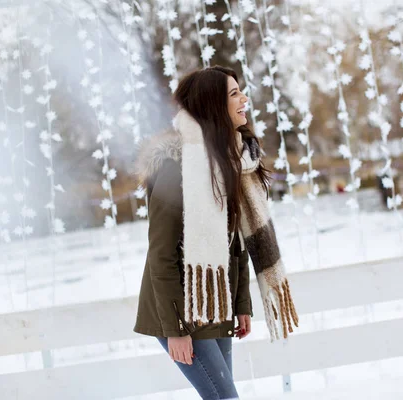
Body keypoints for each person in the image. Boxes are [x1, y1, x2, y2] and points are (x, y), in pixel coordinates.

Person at [133, 66, 298, 400]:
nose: (244, 99)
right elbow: (161, 255)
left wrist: (241, 304)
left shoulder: (230, 160)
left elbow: (234, 242)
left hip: (215, 301)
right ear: (212, 104)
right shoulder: (174, 167)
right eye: (234, 94)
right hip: (181, 308)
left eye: (241, 91)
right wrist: (175, 329)